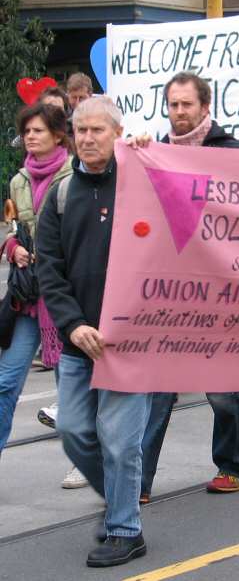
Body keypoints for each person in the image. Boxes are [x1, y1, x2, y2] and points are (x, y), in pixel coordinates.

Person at [36, 96, 152, 567]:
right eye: (80, 130)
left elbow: (191, 195)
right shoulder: (60, 196)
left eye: (97, 130)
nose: (86, 138)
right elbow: (50, 268)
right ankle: (121, 497)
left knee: (121, 442)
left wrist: (151, 147)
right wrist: (73, 324)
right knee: (73, 429)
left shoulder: (142, 181)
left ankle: (125, 528)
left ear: (118, 132)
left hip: (130, 343)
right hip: (78, 343)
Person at [128, 71, 239, 497]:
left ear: (205, 107)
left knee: (222, 389)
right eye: (173, 104)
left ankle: (236, 465)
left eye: (187, 104)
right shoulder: (154, 152)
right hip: (169, 290)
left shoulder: (231, 152)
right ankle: (137, 481)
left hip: (220, 290)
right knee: (157, 389)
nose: (179, 112)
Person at [0, 103, 73, 455]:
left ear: (58, 135)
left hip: (66, 298)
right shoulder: (18, 181)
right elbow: (13, 229)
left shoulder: (77, 174)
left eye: (38, 130)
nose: (30, 136)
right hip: (29, 298)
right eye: (26, 131)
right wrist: (13, 247)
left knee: (73, 392)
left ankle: (84, 463)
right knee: (5, 383)